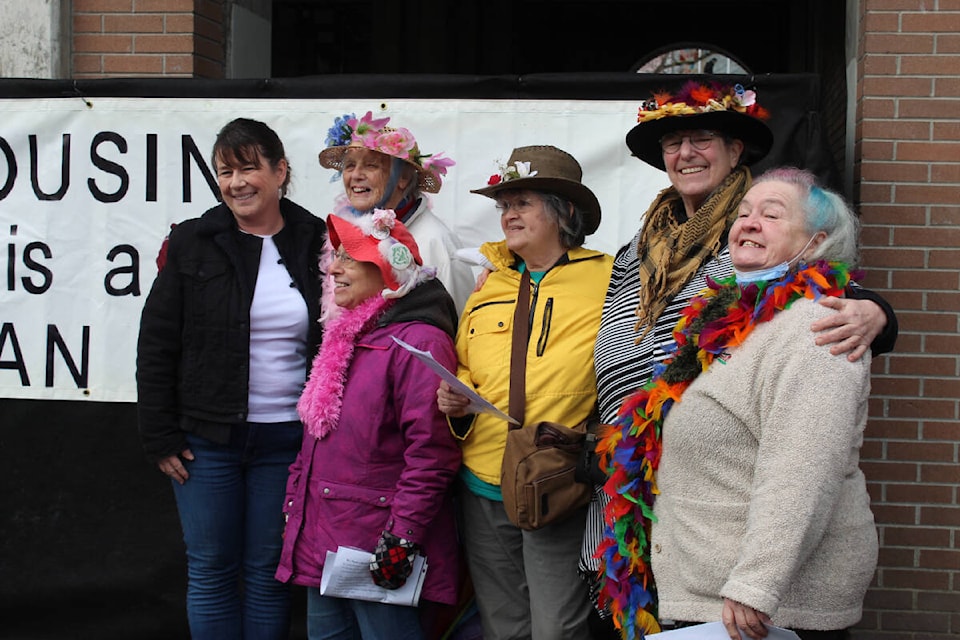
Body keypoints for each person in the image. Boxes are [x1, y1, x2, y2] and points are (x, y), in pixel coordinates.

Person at [579, 82, 897, 635]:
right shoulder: (640, 245)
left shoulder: (755, 237)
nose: (686, 153)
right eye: (674, 142)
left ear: (736, 152)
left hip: (718, 505)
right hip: (636, 480)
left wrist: (877, 312)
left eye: (702, 138)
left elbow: (818, 295)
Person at [136, 117, 325, 639]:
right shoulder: (193, 240)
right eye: (225, 172)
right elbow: (157, 342)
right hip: (206, 442)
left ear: (280, 171)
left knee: (268, 576)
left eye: (248, 168)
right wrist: (159, 434)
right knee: (212, 572)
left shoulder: (318, 239)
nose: (236, 182)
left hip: (287, 440)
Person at [436, 145, 613, 640]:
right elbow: (464, 364)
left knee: (557, 629)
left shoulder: (610, 277)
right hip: (482, 481)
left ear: (565, 213)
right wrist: (456, 399)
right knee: (503, 626)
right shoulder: (488, 283)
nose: (508, 215)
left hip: (555, 480)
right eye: (504, 205)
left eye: (523, 203)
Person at [275, 210, 462, 640]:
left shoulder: (419, 342)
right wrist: (294, 508)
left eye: (349, 258)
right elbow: (315, 445)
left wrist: (401, 540)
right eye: (334, 257)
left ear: (387, 269)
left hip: (377, 546)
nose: (333, 267)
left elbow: (432, 455)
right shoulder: (346, 337)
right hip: (325, 537)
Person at [319, 111, 475, 315]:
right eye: (350, 165)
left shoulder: (436, 243)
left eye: (371, 165)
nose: (356, 175)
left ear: (403, 177)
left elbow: (454, 329)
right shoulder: (345, 240)